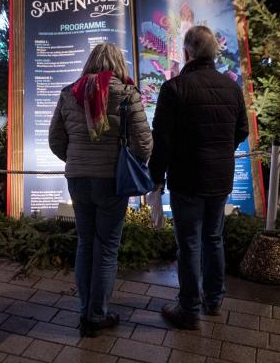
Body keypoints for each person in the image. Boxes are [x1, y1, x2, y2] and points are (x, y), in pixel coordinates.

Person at [49, 43, 152, 337]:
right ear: (119, 63)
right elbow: (143, 143)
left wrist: (76, 159)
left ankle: (85, 311)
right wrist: (129, 161)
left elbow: (56, 138)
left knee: (85, 243)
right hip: (112, 181)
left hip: (78, 179)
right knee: (106, 248)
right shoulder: (128, 95)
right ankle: (97, 315)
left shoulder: (69, 93)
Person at [149, 26, 248, 330]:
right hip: (219, 178)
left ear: (187, 51)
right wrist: (220, 151)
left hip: (187, 178)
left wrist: (156, 177)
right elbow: (242, 130)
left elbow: (162, 140)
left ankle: (189, 309)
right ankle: (214, 300)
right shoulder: (231, 87)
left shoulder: (175, 88)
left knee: (189, 243)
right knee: (213, 237)